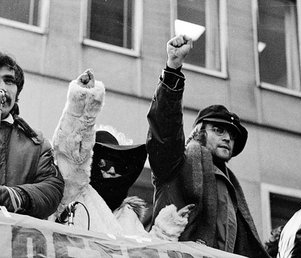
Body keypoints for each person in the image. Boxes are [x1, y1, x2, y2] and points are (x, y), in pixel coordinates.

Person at [146, 35, 269, 257]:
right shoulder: (177, 163)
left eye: (232, 134)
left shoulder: (231, 187)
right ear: (199, 132)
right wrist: (173, 69)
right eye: (218, 130)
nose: (227, 138)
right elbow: (164, 131)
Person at [52, 69, 192, 240]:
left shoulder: (128, 216)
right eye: (103, 163)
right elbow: (70, 150)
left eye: (118, 166)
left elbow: (143, 253)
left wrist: (164, 232)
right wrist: (83, 103)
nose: (111, 171)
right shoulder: (75, 194)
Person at [0, 52, 64, 219]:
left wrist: (16, 196)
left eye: (9, 81)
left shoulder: (36, 143)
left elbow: (52, 188)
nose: (2, 88)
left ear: (17, 93)